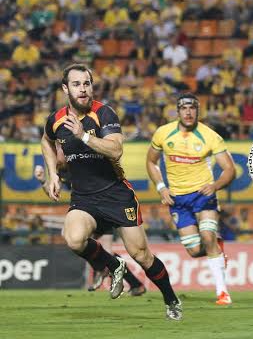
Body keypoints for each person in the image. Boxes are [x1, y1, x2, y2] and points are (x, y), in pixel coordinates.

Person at [41, 63, 182, 320]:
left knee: (142, 255)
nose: (83, 89)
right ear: (65, 89)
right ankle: (114, 264)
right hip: (84, 198)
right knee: (73, 238)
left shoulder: (104, 114)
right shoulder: (57, 120)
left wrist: (84, 136)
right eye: (76, 84)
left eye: (86, 83)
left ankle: (170, 298)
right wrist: (52, 173)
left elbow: (116, 150)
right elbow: (46, 141)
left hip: (116, 194)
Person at [146, 93, 237, 305]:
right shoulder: (163, 134)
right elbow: (151, 162)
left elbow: (229, 170)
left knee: (207, 236)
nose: (188, 112)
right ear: (177, 112)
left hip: (203, 196)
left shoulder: (210, 136)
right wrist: (161, 188)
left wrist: (214, 186)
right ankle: (216, 246)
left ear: (198, 111)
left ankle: (222, 293)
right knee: (195, 251)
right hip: (177, 199)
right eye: (184, 108)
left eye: (192, 108)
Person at [34, 163, 145, 295]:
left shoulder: (83, 160)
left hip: (105, 207)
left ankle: (127, 280)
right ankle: (109, 272)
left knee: (105, 252)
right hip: (87, 210)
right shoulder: (61, 169)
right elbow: (53, 193)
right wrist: (42, 180)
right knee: (76, 239)